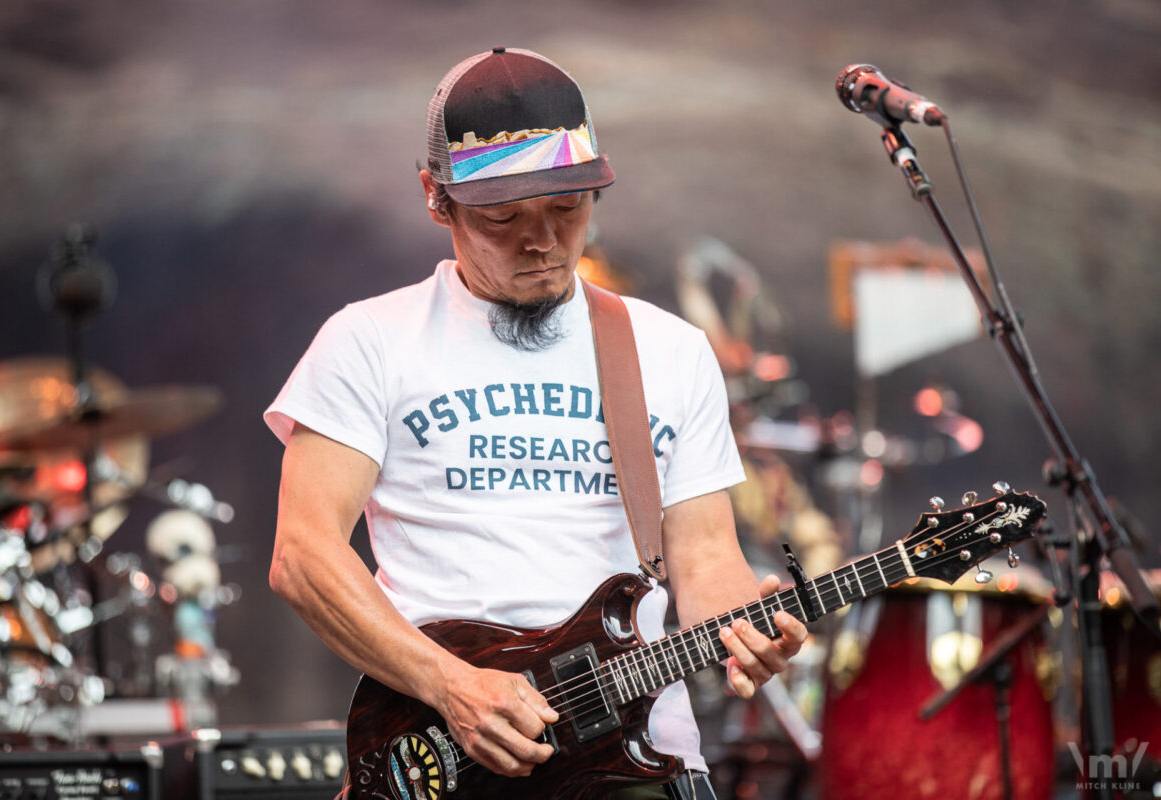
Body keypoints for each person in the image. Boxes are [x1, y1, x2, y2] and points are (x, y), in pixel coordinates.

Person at [265, 47, 806, 799]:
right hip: (442, 752)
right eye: (501, 216)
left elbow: (706, 559)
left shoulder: (670, 350)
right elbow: (303, 554)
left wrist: (749, 627)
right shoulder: (369, 339)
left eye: (567, 208)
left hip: (636, 753)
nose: (542, 241)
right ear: (434, 195)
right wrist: (450, 685)